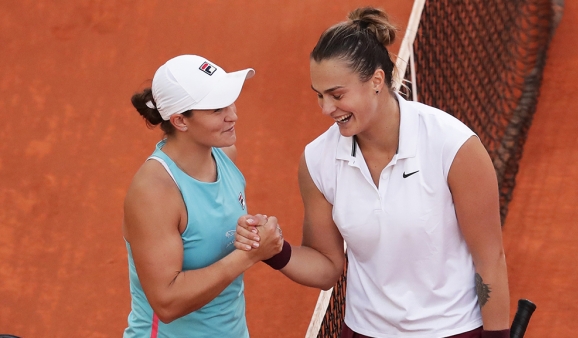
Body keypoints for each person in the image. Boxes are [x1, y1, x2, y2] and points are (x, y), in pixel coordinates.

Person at [235, 7, 511, 338]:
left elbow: (490, 259)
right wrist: (275, 250)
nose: (326, 109)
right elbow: (326, 267)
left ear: (376, 81)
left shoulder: (453, 146)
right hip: (364, 331)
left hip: (452, 330)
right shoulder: (318, 161)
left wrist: (497, 336)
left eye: (337, 94)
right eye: (319, 96)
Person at [123, 54, 283, 337]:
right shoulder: (154, 192)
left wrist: (248, 233)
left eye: (229, 103)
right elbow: (167, 303)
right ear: (180, 121)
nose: (233, 115)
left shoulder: (225, 157)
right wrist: (248, 256)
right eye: (217, 109)